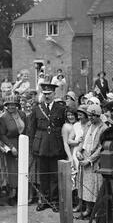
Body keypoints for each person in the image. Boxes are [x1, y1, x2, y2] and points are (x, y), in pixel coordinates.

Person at [29, 83, 66, 212]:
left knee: (55, 175)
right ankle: (43, 200)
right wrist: (32, 147)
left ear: (54, 94)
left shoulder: (61, 108)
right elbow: (31, 129)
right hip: (41, 145)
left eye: (49, 94)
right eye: (45, 94)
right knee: (43, 175)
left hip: (56, 145)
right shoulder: (37, 109)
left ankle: (54, 201)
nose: (47, 96)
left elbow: (63, 127)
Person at [76, 104, 107, 219]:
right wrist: (79, 152)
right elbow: (82, 140)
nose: (90, 118)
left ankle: (97, 210)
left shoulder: (103, 128)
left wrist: (89, 160)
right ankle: (88, 209)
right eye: (89, 116)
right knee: (85, 185)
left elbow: (101, 148)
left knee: (95, 186)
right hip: (84, 156)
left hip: (94, 161)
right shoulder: (88, 125)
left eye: (92, 116)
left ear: (98, 116)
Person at [0, 95, 27, 206]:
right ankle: (12, 195)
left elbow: (27, 129)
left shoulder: (22, 114)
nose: (11, 107)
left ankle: (22, 194)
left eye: (14, 104)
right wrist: (11, 147)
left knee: (23, 169)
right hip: (11, 144)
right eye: (9, 105)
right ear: (6, 106)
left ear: (17, 105)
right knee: (13, 171)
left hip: (23, 143)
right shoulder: (3, 117)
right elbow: (2, 135)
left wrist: (26, 143)